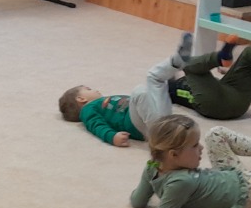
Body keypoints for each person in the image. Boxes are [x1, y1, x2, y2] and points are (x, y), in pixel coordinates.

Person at [58, 32, 193, 148]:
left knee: (154, 78)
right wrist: (112, 137)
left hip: (153, 119)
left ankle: (177, 61)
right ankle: (164, 132)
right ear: (81, 99)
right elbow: (96, 126)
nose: (95, 89)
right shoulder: (88, 109)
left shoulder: (102, 104)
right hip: (146, 126)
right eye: (88, 89)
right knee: (140, 91)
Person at [168, 36, 251, 120]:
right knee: (187, 64)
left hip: (235, 95)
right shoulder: (171, 89)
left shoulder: (194, 81)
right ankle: (220, 58)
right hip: (215, 106)